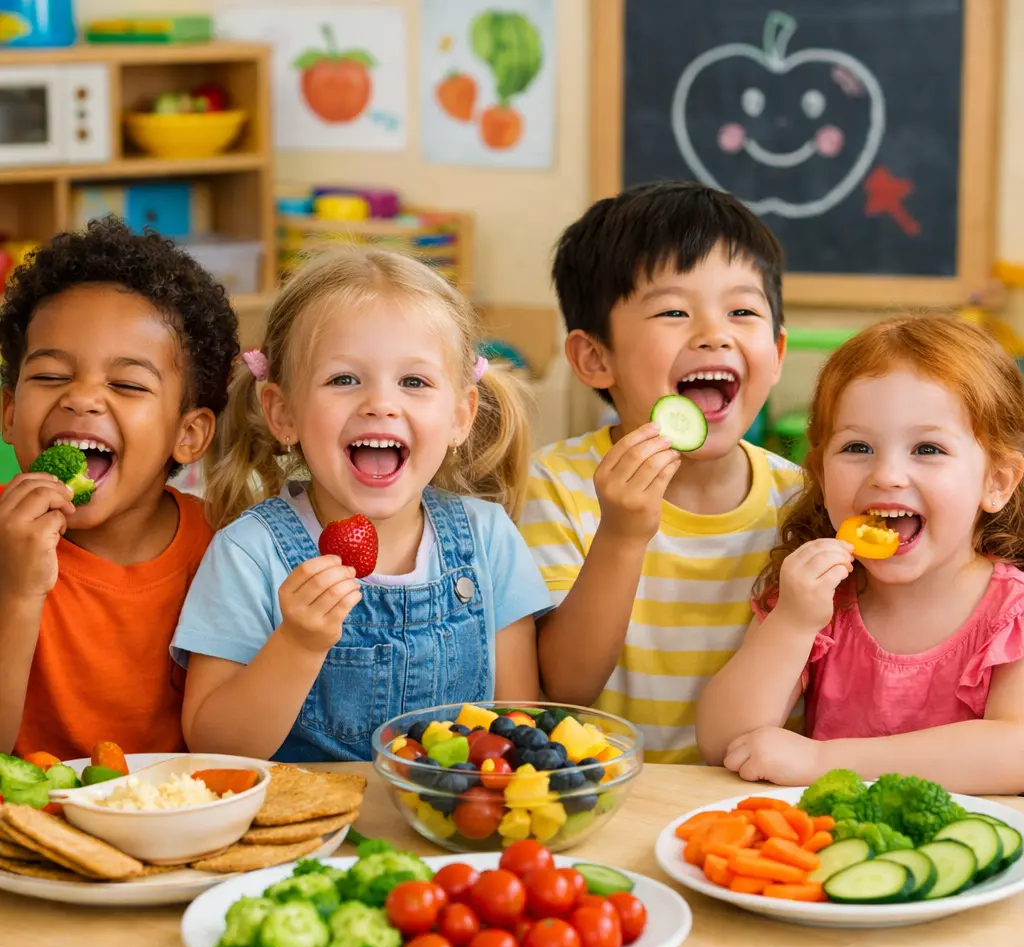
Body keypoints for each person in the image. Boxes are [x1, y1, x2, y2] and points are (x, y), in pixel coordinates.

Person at [173, 248, 552, 761]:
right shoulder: (249, 552)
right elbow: (213, 747)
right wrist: (298, 644)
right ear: (282, 414)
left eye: (414, 382)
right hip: (304, 835)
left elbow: (518, 726)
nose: (380, 403)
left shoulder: (489, 539)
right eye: (344, 379)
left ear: (461, 416)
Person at [519, 181, 801, 763]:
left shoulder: (802, 499)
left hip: (759, 797)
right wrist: (621, 533)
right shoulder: (556, 484)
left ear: (774, 355)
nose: (714, 333)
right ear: (596, 359)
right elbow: (565, 687)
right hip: (608, 795)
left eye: (742, 311)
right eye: (674, 311)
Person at [696, 315, 1024, 794]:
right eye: (857, 446)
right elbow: (725, 742)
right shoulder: (812, 597)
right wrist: (791, 623)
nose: (887, 474)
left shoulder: (1010, 613)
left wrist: (824, 760)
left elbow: (1014, 752)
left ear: (994, 482)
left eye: (928, 448)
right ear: (823, 476)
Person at [0, 217, 238, 758]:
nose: (82, 398)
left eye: (127, 384)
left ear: (188, 433)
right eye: (51, 376)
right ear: (9, 413)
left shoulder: (227, 548)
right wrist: (16, 591)